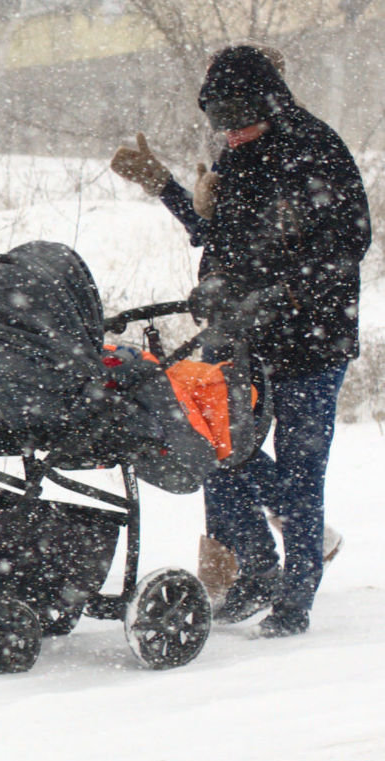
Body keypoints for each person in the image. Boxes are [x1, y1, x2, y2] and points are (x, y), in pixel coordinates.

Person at [114, 45, 371, 637]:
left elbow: (349, 241)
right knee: (216, 452)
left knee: (303, 469)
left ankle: (297, 595)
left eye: (239, 121)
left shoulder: (317, 149)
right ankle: (254, 570)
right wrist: (168, 189)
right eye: (220, 124)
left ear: (271, 102)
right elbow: (216, 234)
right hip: (240, 337)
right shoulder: (236, 151)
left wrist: (284, 291)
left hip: (313, 337)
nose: (229, 134)